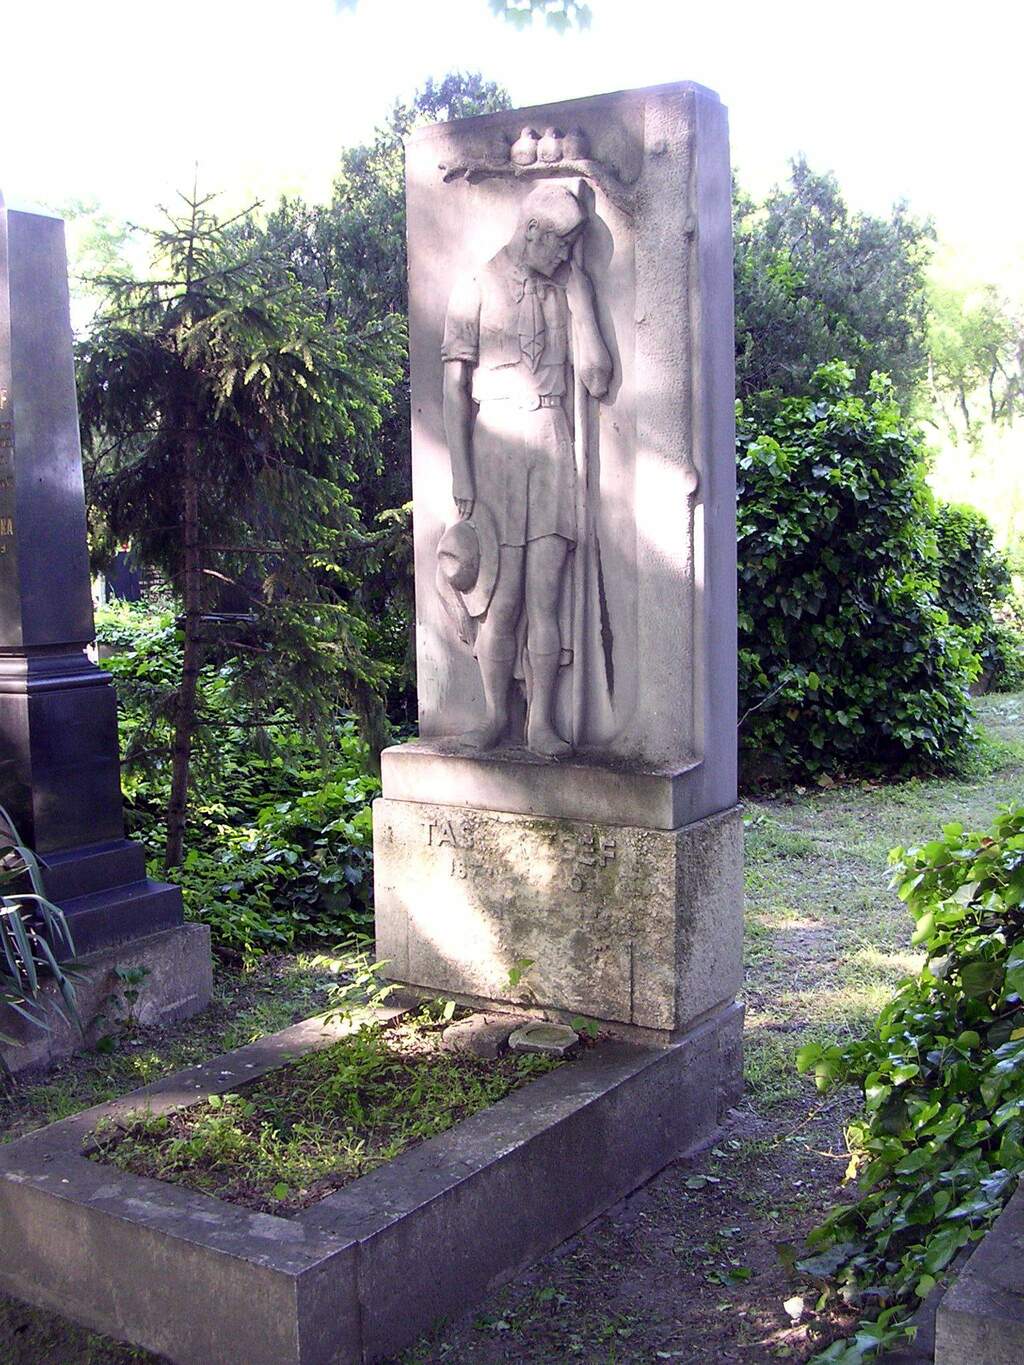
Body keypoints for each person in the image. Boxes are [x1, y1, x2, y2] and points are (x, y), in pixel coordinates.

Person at [440, 183, 611, 757]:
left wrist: (582, 300)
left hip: (551, 441)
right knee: (502, 598)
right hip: (496, 447)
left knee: (546, 596)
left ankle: (541, 724)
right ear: (532, 230)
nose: (564, 254)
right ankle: (495, 716)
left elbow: (597, 379)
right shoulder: (475, 286)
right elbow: (454, 390)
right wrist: (462, 474)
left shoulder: (568, 288)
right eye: (559, 243)